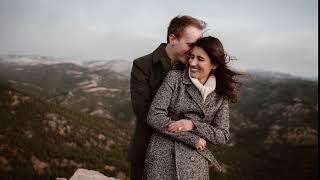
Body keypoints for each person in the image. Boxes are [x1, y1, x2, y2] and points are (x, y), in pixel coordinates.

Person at [144, 36, 241, 179]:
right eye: (191, 57)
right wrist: (190, 138)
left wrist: (193, 125)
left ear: (214, 64)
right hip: (163, 154)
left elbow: (222, 135)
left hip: (195, 163)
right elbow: (154, 116)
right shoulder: (175, 78)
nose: (192, 63)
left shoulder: (220, 95)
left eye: (200, 59)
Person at [129, 15, 206, 179]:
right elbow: (144, 112)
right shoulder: (142, 65)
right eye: (190, 44)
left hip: (184, 156)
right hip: (147, 150)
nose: (194, 50)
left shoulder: (193, 69)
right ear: (172, 38)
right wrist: (187, 133)